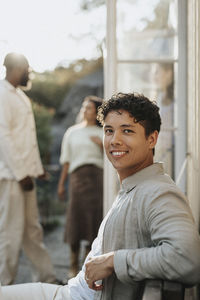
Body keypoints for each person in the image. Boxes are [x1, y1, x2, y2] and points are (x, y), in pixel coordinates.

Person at [1, 92, 200, 300]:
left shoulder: (159, 192)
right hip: (71, 291)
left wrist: (113, 260)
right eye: (109, 131)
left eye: (127, 131)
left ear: (152, 139)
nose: (115, 140)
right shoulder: (135, 186)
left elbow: (188, 259)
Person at [0, 52, 59, 285]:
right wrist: (22, 173)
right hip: (12, 177)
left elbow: (26, 139)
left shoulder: (20, 97)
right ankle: (3, 285)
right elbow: (3, 137)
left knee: (32, 231)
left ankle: (47, 279)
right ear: (16, 68)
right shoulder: (2, 95)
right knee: (11, 232)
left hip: (25, 176)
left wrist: (36, 169)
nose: (30, 72)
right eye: (27, 68)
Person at [57, 95, 103, 279]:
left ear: (97, 111)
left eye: (90, 107)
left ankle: (86, 265)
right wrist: (61, 185)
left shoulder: (103, 132)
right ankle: (72, 264)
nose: (85, 110)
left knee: (93, 222)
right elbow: (66, 162)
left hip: (97, 180)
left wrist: (102, 145)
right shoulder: (72, 132)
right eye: (84, 107)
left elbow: (111, 158)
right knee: (75, 220)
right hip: (77, 178)